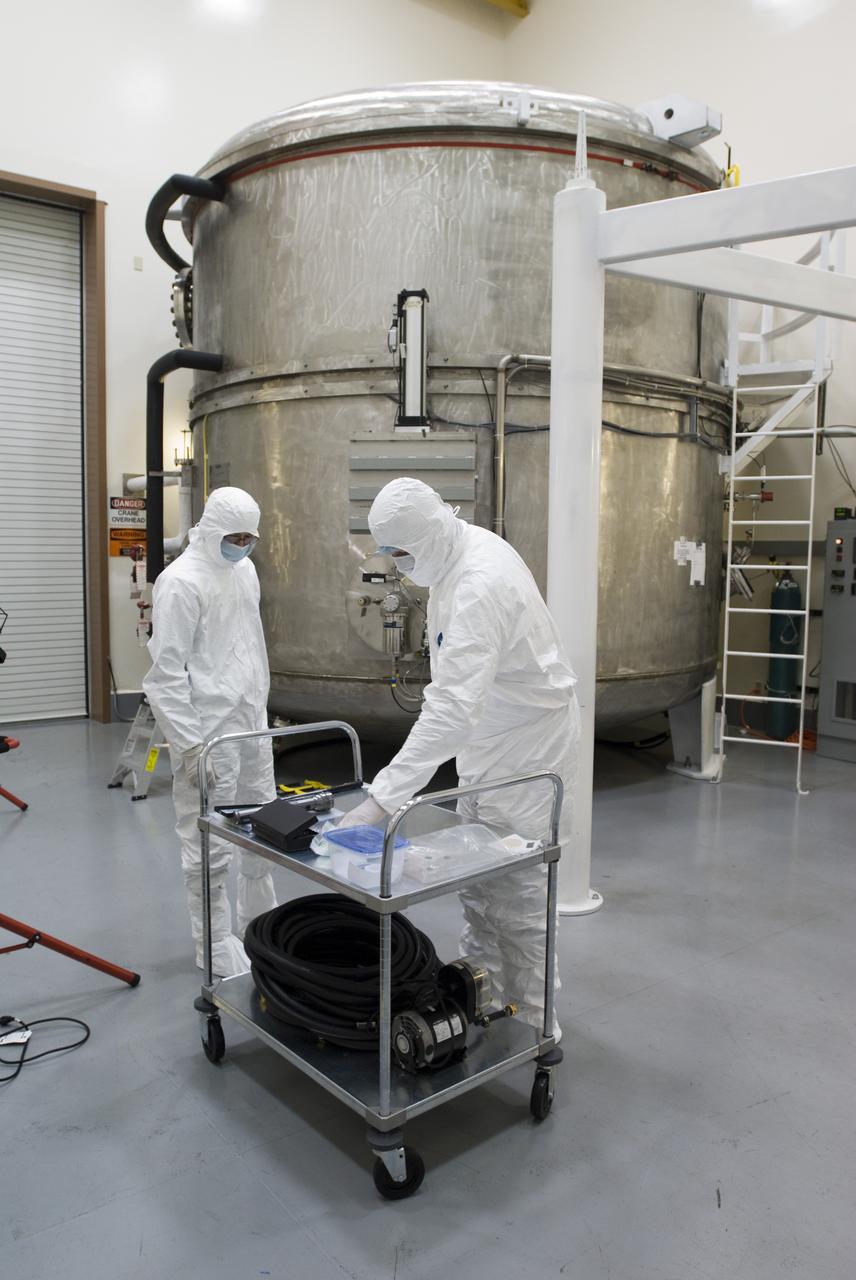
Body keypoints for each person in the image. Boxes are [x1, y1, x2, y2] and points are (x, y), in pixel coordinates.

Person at [338, 477, 580, 1036]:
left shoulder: (477, 581)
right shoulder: (458, 553)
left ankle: (537, 1030)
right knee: (479, 875)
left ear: (423, 538)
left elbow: (450, 711)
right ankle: (486, 999)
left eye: (399, 554)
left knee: (517, 890)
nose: (395, 565)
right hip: (492, 740)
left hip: (527, 748)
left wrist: (382, 800)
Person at [143, 486, 277, 977]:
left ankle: (260, 923)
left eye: (249, 537)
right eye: (234, 536)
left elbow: (248, 646)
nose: (242, 544)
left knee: (265, 824)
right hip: (208, 732)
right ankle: (214, 943)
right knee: (209, 843)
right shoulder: (180, 582)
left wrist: (259, 710)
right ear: (213, 527)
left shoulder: (245, 570)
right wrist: (190, 745)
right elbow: (164, 675)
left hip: (251, 724)